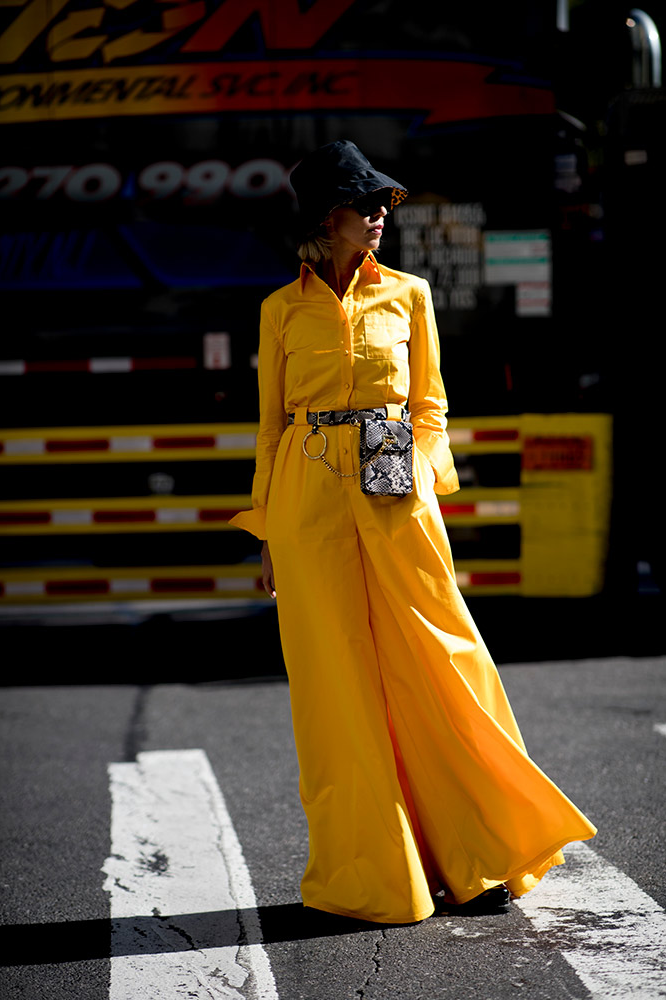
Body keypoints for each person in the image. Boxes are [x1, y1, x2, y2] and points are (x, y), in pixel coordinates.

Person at [229, 140, 596, 924]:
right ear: (326, 219)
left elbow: (429, 409)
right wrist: (266, 530)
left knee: (440, 661)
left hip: (394, 486)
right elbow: (268, 429)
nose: (379, 217)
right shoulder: (278, 310)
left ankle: (483, 849)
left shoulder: (409, 295)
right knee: (335, 693)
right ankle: (370, 873)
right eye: (365, 206)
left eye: (382, 205)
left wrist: (419, 478)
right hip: (305, 498)